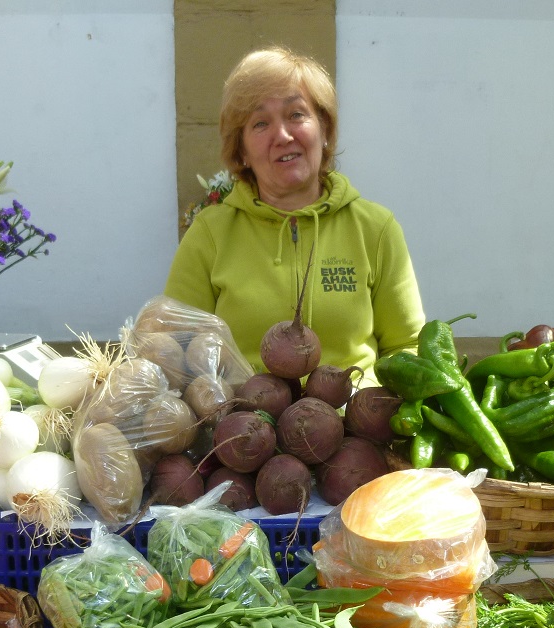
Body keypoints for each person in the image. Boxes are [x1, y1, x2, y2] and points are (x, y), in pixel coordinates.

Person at [163, 46, 425, 381]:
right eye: (260, 123)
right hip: (245, 412)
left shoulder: (375, 229)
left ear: (324, 128)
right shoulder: (210, 234)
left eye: (296, 114)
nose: (283, 136)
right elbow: (176, 348)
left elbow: (407, 346)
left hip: (354, 410)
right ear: (241, 150)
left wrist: (363, 399)